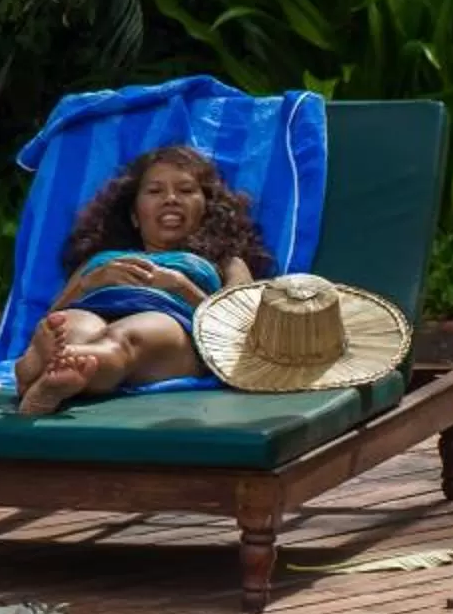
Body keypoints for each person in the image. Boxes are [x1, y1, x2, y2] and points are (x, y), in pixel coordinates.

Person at [14, 144, 275, 416]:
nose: (171, 198)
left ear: (207, 209)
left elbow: (243, 331)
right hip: (95, 309)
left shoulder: (227, 263)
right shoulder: (102, 260)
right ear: (135, 216)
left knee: (124, 339)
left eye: (185, 190)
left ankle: (48, 370)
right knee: (71, 327)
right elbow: (51, 318)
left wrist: (181, 287)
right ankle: (55, 370)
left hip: (174, 323)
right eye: (154, 191)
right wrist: (88, 283)